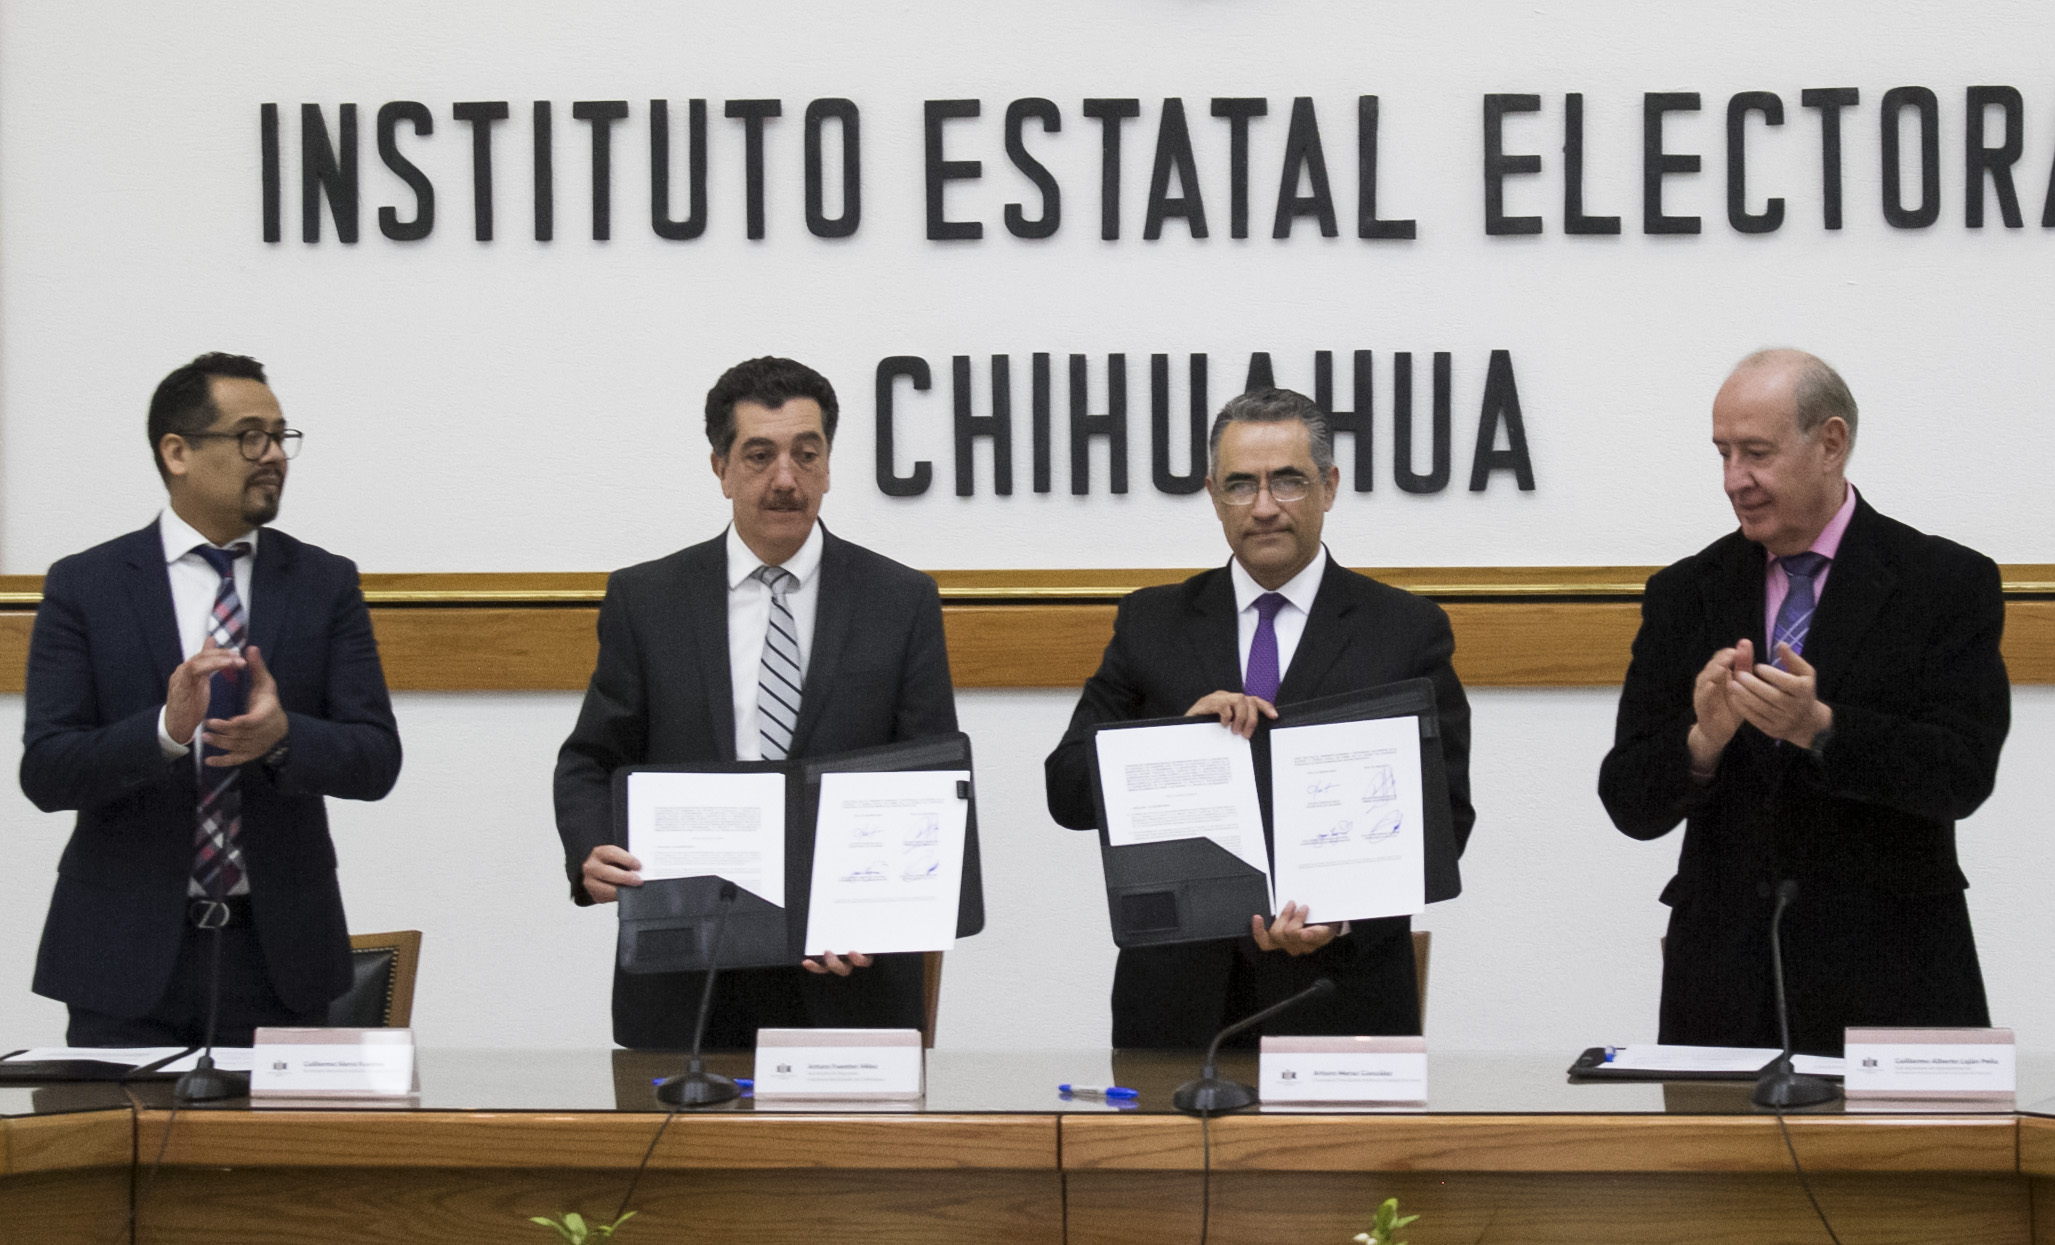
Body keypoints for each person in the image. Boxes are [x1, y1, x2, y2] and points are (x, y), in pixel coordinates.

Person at [1599, 349, 2009, 1053]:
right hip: (1725, 989)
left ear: (1830, 443)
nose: (1734, 479)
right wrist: (1702, 741)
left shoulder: (1944, 582)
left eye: (1755, 453)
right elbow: (1629, 801)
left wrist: (1820, 729)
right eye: (1723, 453)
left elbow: (1961, 773)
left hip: (1894, 978)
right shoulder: (1684, 592)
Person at [1043, 387, 1475, 1048]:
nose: (1265, 506)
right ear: (1213, 496)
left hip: (1340, 998)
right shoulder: (1150, 622)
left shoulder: (1404, 628)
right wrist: (1173, 743)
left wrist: (1341, 917)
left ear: (1329, 487)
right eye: (1241, 485)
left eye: (1289, 481)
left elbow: (1445, 818)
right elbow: (1067, 790)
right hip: (1177, 1010)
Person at [555, 356, 958, 1049]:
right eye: (760, 455)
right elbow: (591, 760)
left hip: (848, 981)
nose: (785, 479)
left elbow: (928, 780)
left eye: (807, 454)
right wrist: (593, 850)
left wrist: (879, 912)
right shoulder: (647, 600)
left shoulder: (900, 600)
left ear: (827, 466)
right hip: (688, 981)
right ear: (720, 468)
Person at [20, 352, 402, 1047]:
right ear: (178, 452)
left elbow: (376, 758)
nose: (274, 456)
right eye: (250, 436)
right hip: (122, 959)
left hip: (279, 956)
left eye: (281, 437)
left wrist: (283, 737)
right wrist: (165, 731)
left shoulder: (323, 582)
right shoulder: (87, 585)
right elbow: (47, 771)